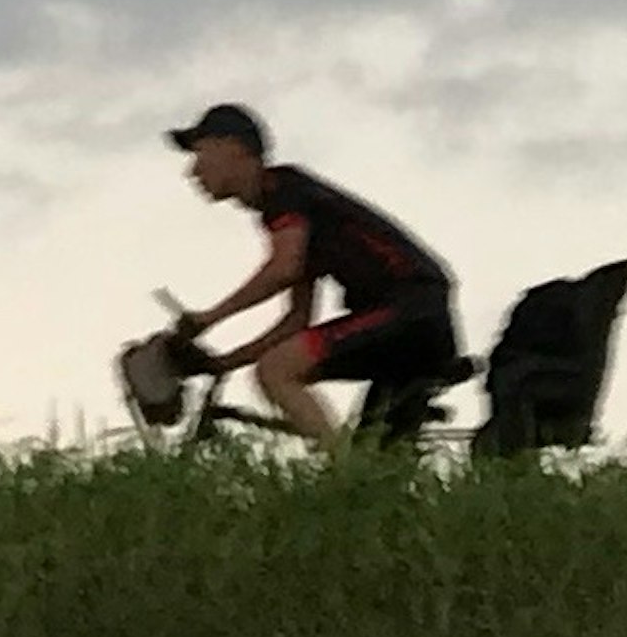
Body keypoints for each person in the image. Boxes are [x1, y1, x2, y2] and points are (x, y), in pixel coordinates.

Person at [165, 104, 466, 447]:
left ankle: (341, 475)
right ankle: (356, 478)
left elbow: (283, 269)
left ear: (235, 148)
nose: (193, 170)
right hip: (410, 317)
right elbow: (296, 322)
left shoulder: (285, 191)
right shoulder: (288, 207)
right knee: (377, 462)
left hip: (409, 307)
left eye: (200, 152)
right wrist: (223, 363)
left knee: (275, 371)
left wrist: (209, 318)